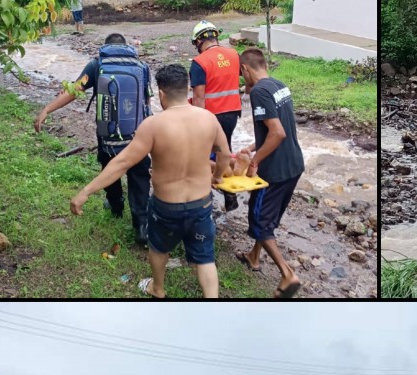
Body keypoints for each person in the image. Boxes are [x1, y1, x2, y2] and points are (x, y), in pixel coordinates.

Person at [70, 64, 232, 299]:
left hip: (167, 207)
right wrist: (217, 177)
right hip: (201, 204)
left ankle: (158, 288)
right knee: (205, 258)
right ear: (186, 90)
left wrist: (86, 191)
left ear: (162, 94)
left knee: (158, 248)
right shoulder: (209, 119)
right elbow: (225, 154)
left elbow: (122, 162)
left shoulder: (153, 125)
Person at [34, 33, 152, 245]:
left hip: (108, 136)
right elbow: (146, 103)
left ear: (105, 47)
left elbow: (74, 91)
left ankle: (116, 206)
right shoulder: (141, 66)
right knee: (139, 178)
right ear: (125, 47)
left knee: (109, 168)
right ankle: (142, 227)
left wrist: (47, 110)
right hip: (138, 135)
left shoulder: (97, 65)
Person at [238, 48, 305, 299]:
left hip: (274, 172)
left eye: (241, 75)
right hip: (294, 165)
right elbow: (277, 127)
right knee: (267, 217)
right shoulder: (279, 86)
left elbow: (278, 133)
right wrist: (253, 145)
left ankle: (287, 274)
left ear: (245, 69)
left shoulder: (259, 92)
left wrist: (255, 160)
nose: (242, 82)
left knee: (258, 221)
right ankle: (254, 257)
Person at [190, 20, 243, 212]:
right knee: (223, 149)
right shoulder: (234, 55)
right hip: (233, 114)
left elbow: (198, 97)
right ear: (215, 36)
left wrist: (197, 125)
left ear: (198, 42)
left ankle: (207, 199)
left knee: (202, 156)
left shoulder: (200, 62)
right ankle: (230, 196)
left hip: (213, 117)